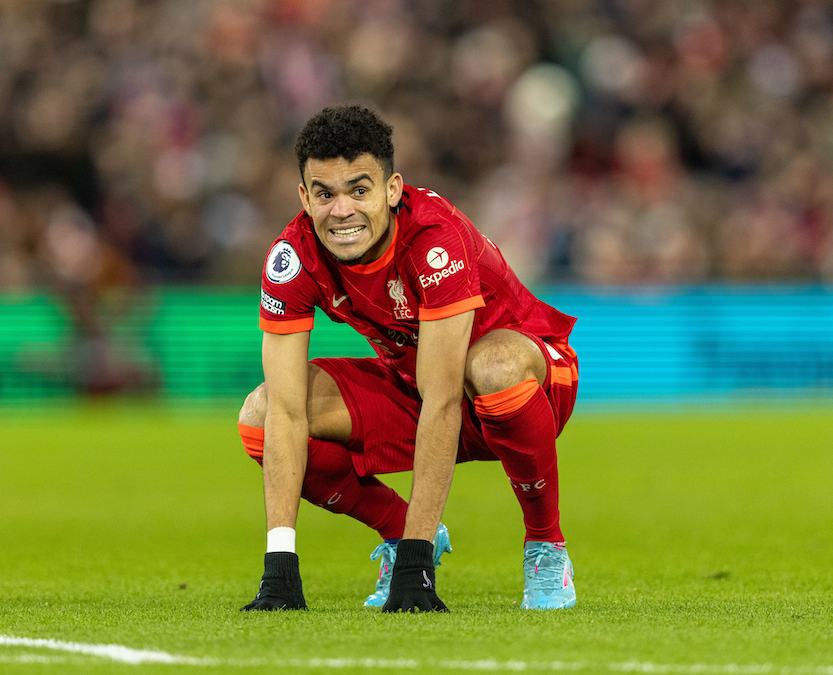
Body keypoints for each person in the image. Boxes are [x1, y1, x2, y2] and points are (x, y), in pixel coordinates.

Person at [237, 104, 579, 612]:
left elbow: (443, 397)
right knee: (262, 417)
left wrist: (418, 573)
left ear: (392, 190)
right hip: (418, 389)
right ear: (305, 198)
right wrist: (279, 567)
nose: (342, 211)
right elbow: (289, 411)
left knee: (491, 367)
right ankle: (401, 533)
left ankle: (546, 546)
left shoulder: (435, 238)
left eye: (359, 190)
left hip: (533, 380)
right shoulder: (291, 257)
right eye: (325, 195)